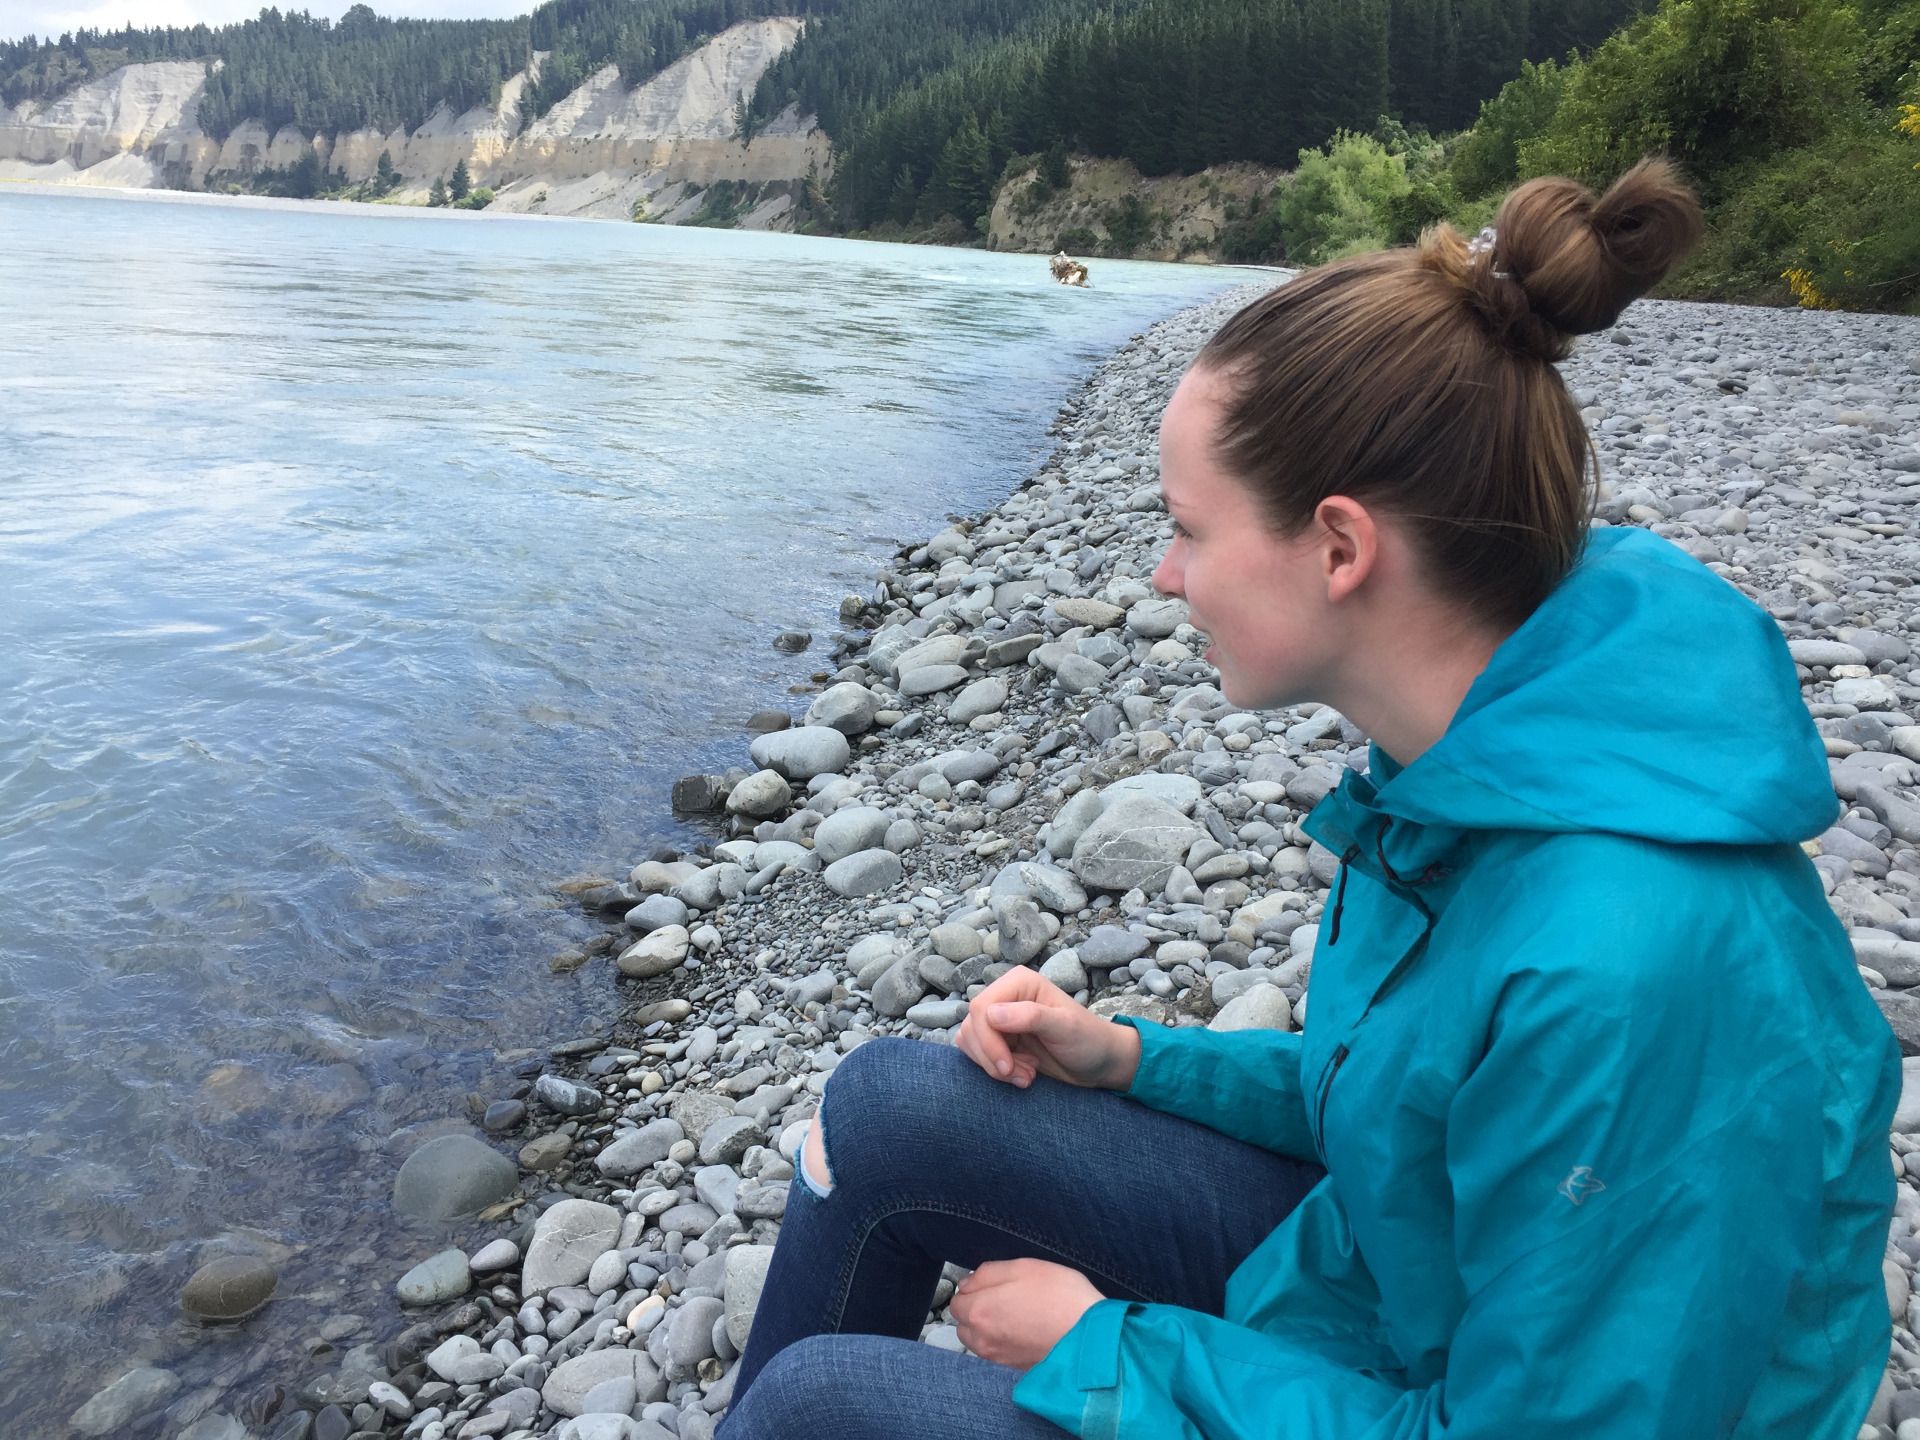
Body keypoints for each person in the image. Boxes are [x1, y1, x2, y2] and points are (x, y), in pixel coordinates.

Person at [715, 157, 1902, 1440]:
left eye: (1189, 528)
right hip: (1397, 1288)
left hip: (1468, 1394)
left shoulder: (1628, 964)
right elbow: (1415, 1095)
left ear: (1341, 548)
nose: (1167, 578)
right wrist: (1133, 1057)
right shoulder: (1477, 758)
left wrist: (1113, 1353)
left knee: (820, 1408)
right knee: (884, 1111)